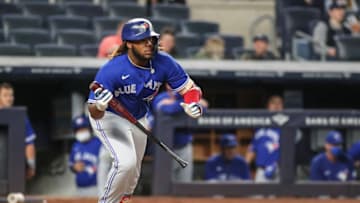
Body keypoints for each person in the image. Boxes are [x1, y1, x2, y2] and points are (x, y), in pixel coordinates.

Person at [87, 18, 204, 203]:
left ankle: (124, 199)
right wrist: (100, 106)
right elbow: (93, 109)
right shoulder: (113, 69)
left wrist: (192, 103)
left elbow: (191, 89)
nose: (149, 43)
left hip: (137, 116)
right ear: (129, 44)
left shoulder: (164, 62)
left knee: (134, 171)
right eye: (142, 40)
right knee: (125, 163)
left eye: (151, 39)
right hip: (110, 117)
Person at [152, 86, 208, 182]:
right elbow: (165, 109)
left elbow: (203, 107)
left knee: (185, 182)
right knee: (165, 183)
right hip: (165, 149)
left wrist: (181, 103)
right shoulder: (161, 98)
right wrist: (187, 104)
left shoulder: (187, 95)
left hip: (184, 146)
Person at [0, 82, 36, 180]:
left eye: (11, 95)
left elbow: (29, 143)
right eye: (5, 95)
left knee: (15, 193)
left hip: (14, 166)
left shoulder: (20, 117)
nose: (9, 98)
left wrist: (31, 164)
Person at [245, 95, 283, 182]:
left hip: (278, 170)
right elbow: (253, 147)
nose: (276, 106)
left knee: (279, 196)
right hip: (261, 170)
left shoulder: (286, 126)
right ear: (268, 106)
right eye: (273, 103)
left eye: (279, 103)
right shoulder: (260, 126)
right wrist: (245, 165)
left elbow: (289, 151)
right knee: (258, 195)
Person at [69, 115, 102, 197]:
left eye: (83, 128)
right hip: (79, 189)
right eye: (78, 130)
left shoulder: (99, 143)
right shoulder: (75, 146)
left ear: (90, 129)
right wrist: (74, 167)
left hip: (97, 188)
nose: (81, 132)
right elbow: (71, 165)